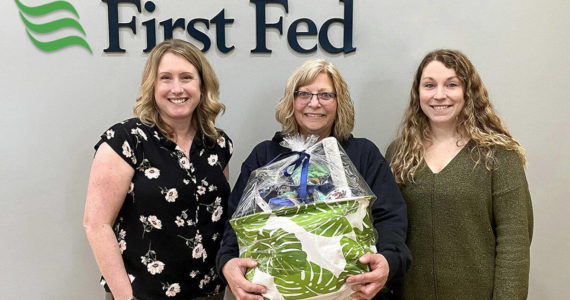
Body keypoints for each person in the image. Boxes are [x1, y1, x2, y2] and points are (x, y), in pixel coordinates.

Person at [216, 58, 411, 300]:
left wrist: (388, 260)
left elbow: (390, 216)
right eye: (304, 94)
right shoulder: (265, 155)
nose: (314, 103)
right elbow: (237, 222)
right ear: (292, 100)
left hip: (352, 293)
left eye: (325, 95)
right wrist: (227, 264)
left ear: (339, 102)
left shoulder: (362, 155)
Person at [83, 39, 233, 300]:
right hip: (143, 294)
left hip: (208, 292)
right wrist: (124, 297)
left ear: (202, 85)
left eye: (186, 77)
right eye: (166, 78)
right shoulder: (126, 140)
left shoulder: (218, 144)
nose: (177, 88)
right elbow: (96, 224)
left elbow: (218, 217)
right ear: (152, 85)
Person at [385, 49, 533, 299]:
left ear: (468, 92)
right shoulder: (399, 153)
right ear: (417, 93)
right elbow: (389, 227)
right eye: (429, 85)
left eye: (451, 84)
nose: (439, 95)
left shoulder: (498, 155)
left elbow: (514, 244)